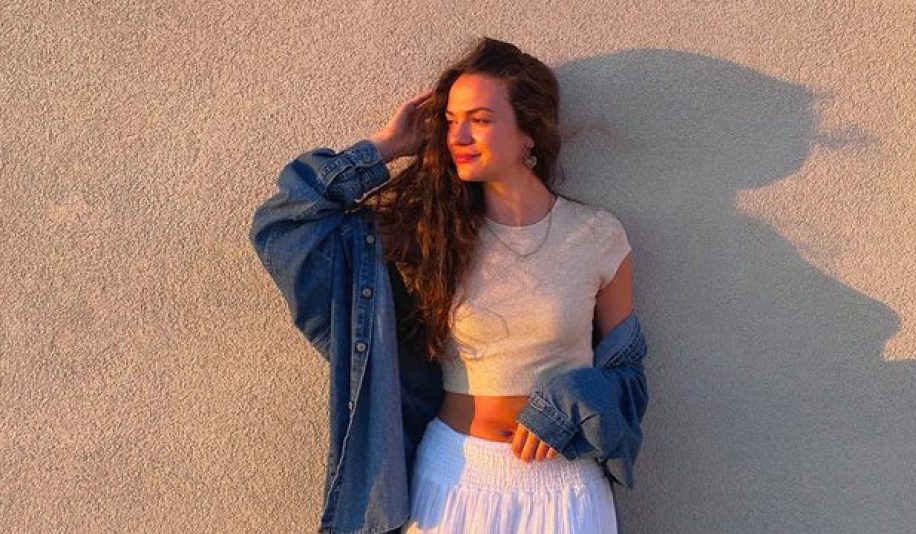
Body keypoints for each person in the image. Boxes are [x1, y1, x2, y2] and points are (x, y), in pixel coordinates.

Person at [249, 36, 648, 534]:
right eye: (451, 120)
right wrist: (385, 147)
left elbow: (628, 376)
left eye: (479, 119)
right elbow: (285, 224)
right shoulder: (429, 235)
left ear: (529, 131)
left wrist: (574, 397)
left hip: (565, 488)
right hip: (454, 480)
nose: (457, 135)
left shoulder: (598, 236)